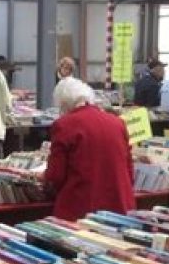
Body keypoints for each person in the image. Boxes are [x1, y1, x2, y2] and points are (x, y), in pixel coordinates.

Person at [44, 77, 136, 221]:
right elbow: (129, 171)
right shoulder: (118, 123)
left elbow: (55, 176)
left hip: (81, 209)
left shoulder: (64, 124)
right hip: (119, 207)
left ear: (63, 104)